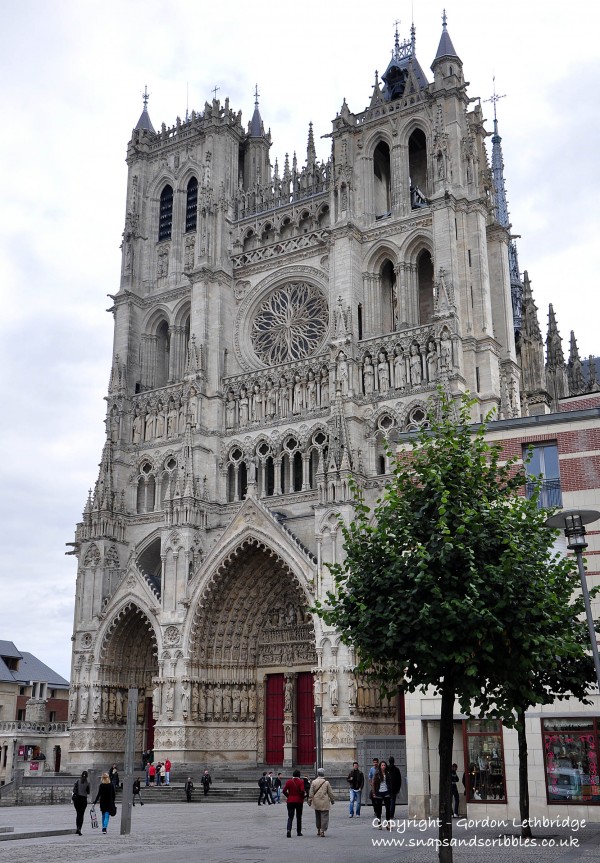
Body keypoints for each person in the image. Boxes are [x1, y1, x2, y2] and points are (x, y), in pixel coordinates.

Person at [308, 767, 335, 837]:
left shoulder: (314, 782)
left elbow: (311, 793)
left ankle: (318, 829)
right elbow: (330, 792)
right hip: (324, 801)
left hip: (316, 801)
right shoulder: (326, 782)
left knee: (317, 816)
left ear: (317, 774)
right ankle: (323, 830)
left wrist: (309, 800)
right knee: (325, 816)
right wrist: (332, 800)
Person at [283, 768, 306, 837]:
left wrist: (289, 796)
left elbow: (284, 790)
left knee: (290, 816)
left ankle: (288, 830)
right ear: (299, 775)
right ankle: (298, 832)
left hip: (290, 801)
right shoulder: (301, 782)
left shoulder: (289, 781)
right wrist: (302, 796)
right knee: (299, 816)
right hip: (299, 801)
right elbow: (302, 790)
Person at [372, 760, 392, 829]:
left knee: (388, 809)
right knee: (379, 809)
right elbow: (373, 784)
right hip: (379, 793)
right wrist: (374, 793)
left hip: (386, 792)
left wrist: (390, 792)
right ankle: (379, 823)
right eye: (382, 765)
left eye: (384, 765)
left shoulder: (388, 774)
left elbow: (390, 784)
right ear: (380, 766)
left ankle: (388, 823)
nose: (383, 766)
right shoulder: (377, 774)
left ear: (386, 766)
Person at [72, 769, 90, 835]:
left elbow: (74, 790)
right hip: (83, 799)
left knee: (78, 814)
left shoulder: (77, 781)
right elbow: (88, 792)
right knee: (81, 815)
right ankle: (79, 828)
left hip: (77, 799)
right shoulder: (87, 783)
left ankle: (77, 828)